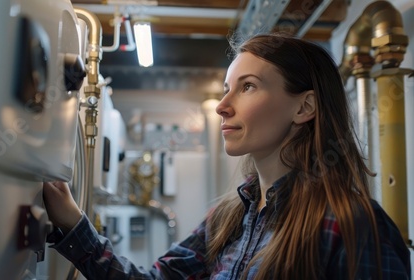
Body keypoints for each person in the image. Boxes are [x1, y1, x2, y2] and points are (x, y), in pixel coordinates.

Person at [43, 33, 410, 279]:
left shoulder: (351, 225)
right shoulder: (228, 220)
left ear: (305, 107)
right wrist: (75, 223)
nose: (221, 106)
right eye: (226, 89)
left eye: (248, 87)